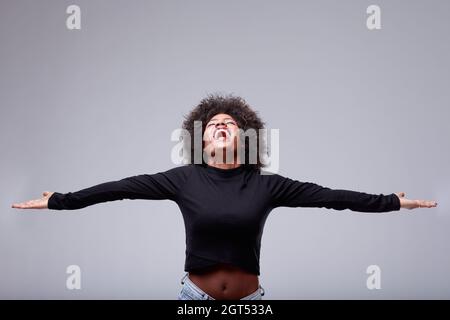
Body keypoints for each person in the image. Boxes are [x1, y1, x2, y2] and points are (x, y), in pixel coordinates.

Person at [11, 93, 438, 300]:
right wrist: (59, 200)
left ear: (246, 136)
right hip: (193, 302)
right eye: (213, 123)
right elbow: (120, 188)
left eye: (230, 123)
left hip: (251, 305)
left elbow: (331, 196)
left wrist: (391, 201)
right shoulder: (184, 179)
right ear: (200, 138)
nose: (221, 125)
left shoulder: (268, 185)